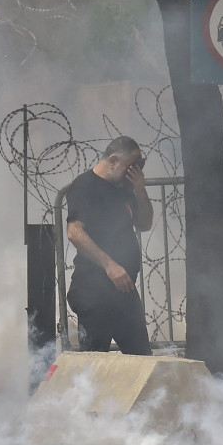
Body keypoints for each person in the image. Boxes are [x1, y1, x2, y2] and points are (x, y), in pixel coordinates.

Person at [65, 136, 154, 355]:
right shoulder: (85, 186)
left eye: (139, 167)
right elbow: (75, 232)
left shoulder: (124, 189)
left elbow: (144, 223)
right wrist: (110, 265)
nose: (134, 172)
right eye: (131, 167)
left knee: (141, 358)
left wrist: (140, 190)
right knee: (95, 363)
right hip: (94, 293)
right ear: (113, 161)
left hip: (125, 290)